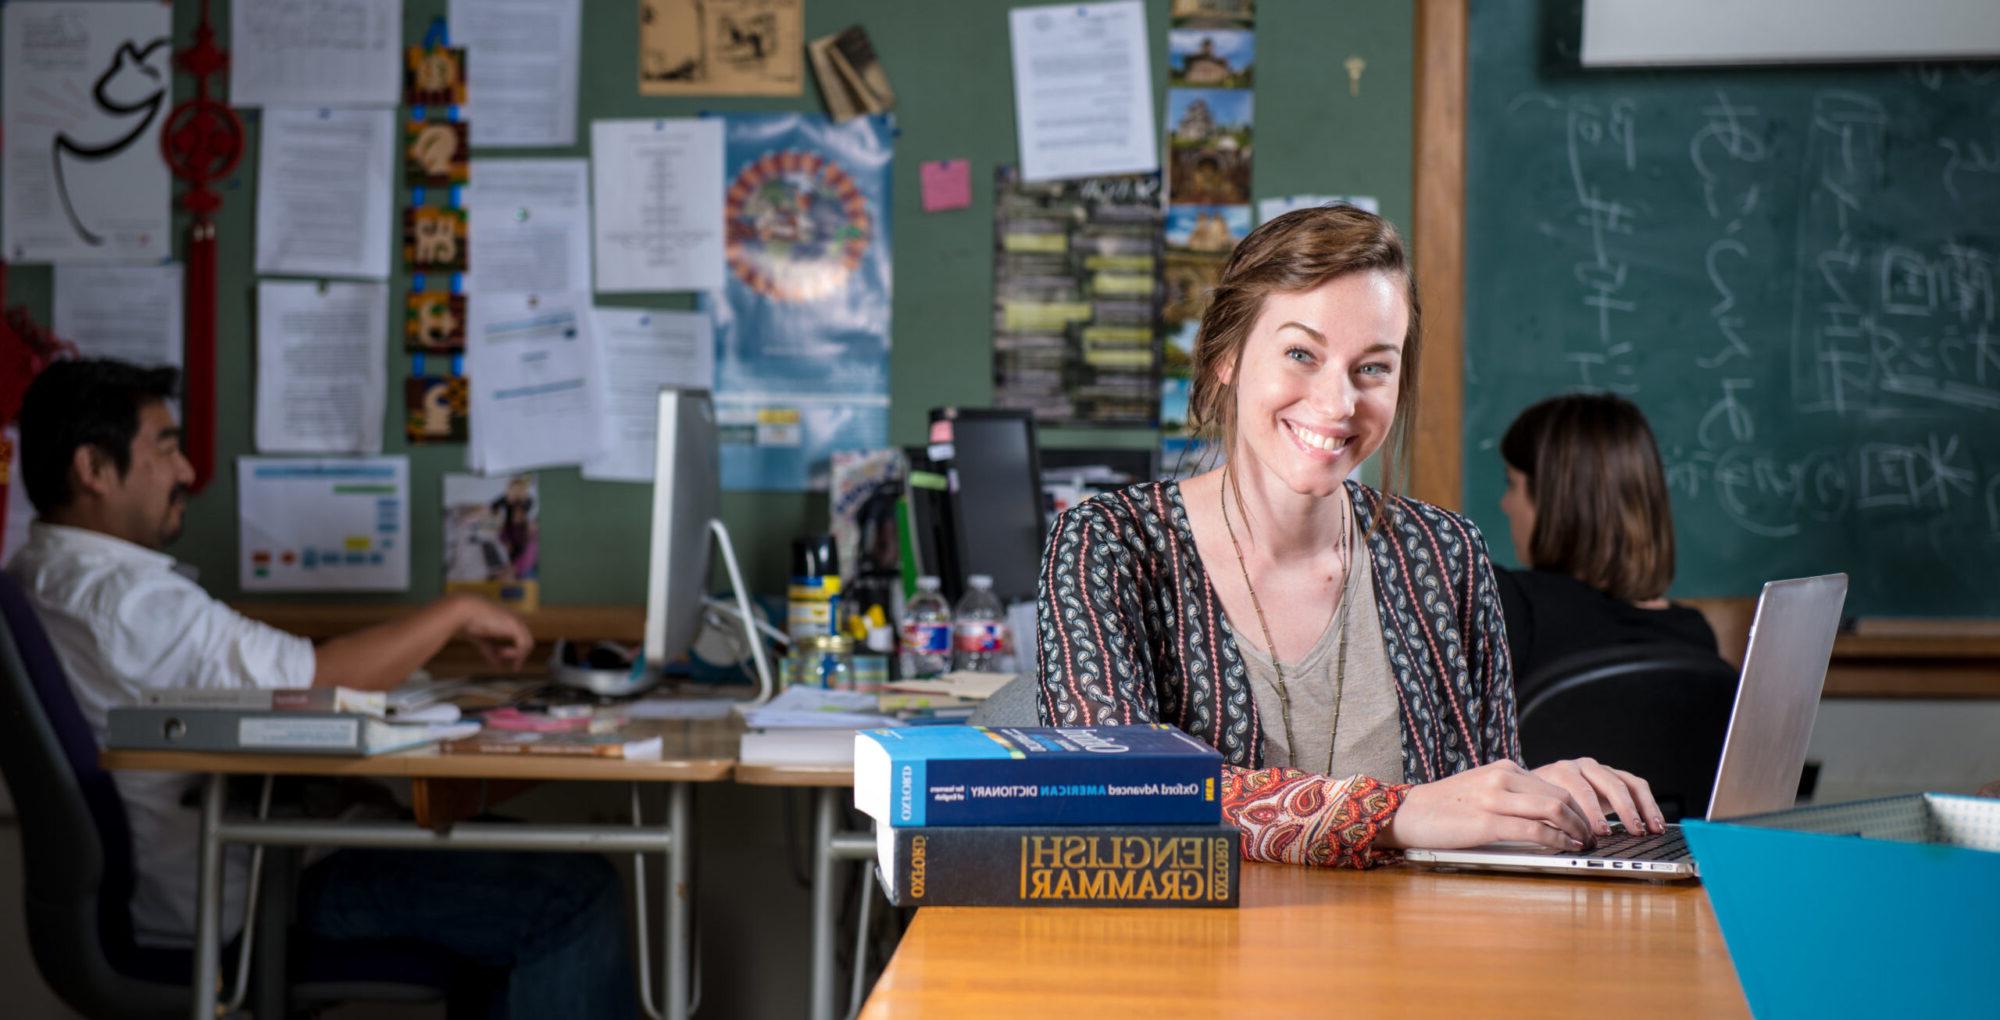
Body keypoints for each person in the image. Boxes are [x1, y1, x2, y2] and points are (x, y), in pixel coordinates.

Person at [1036, 206, 1662, 868]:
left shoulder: (1444, 553)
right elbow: (1113, 790)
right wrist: (1397, 814)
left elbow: (1477, 819)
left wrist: (1538, 802)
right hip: (1198, 962)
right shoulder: (1106, 542)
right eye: (1302, 354)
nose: (1338, 403)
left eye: (1374, 368)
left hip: (1420, 961)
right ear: (1227, 358)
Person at [5, 359, 634, 1016]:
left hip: (199, 874)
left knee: (504, 863)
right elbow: (320, 681)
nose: (188, 472)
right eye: (165, 449)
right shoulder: (128, 602)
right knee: (574, 895)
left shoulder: (40, 572)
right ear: (95, 470)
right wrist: (456, 612)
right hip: (244, 893)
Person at [1493, 393, 1726, 701]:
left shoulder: (1512, 606)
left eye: (1512, 484)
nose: (1505, 504)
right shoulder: (1695, 637)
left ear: (1555, 498)